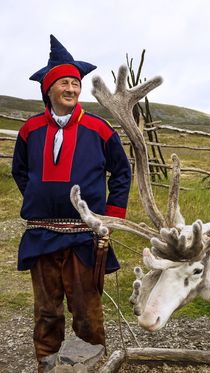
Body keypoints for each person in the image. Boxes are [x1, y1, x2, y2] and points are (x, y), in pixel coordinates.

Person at [11, 35, 132, 372]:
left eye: (75, 83)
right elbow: (20, 171)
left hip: (84, 236)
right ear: (48, 89)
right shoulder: (30, 130)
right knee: (47, 311)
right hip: (42, 236)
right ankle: (47, 366)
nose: (72, 89)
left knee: (87, 310)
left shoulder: (99, 129)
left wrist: (111, 217)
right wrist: (39, 197)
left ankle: (87, 366)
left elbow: (121, 172)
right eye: (64, 82)